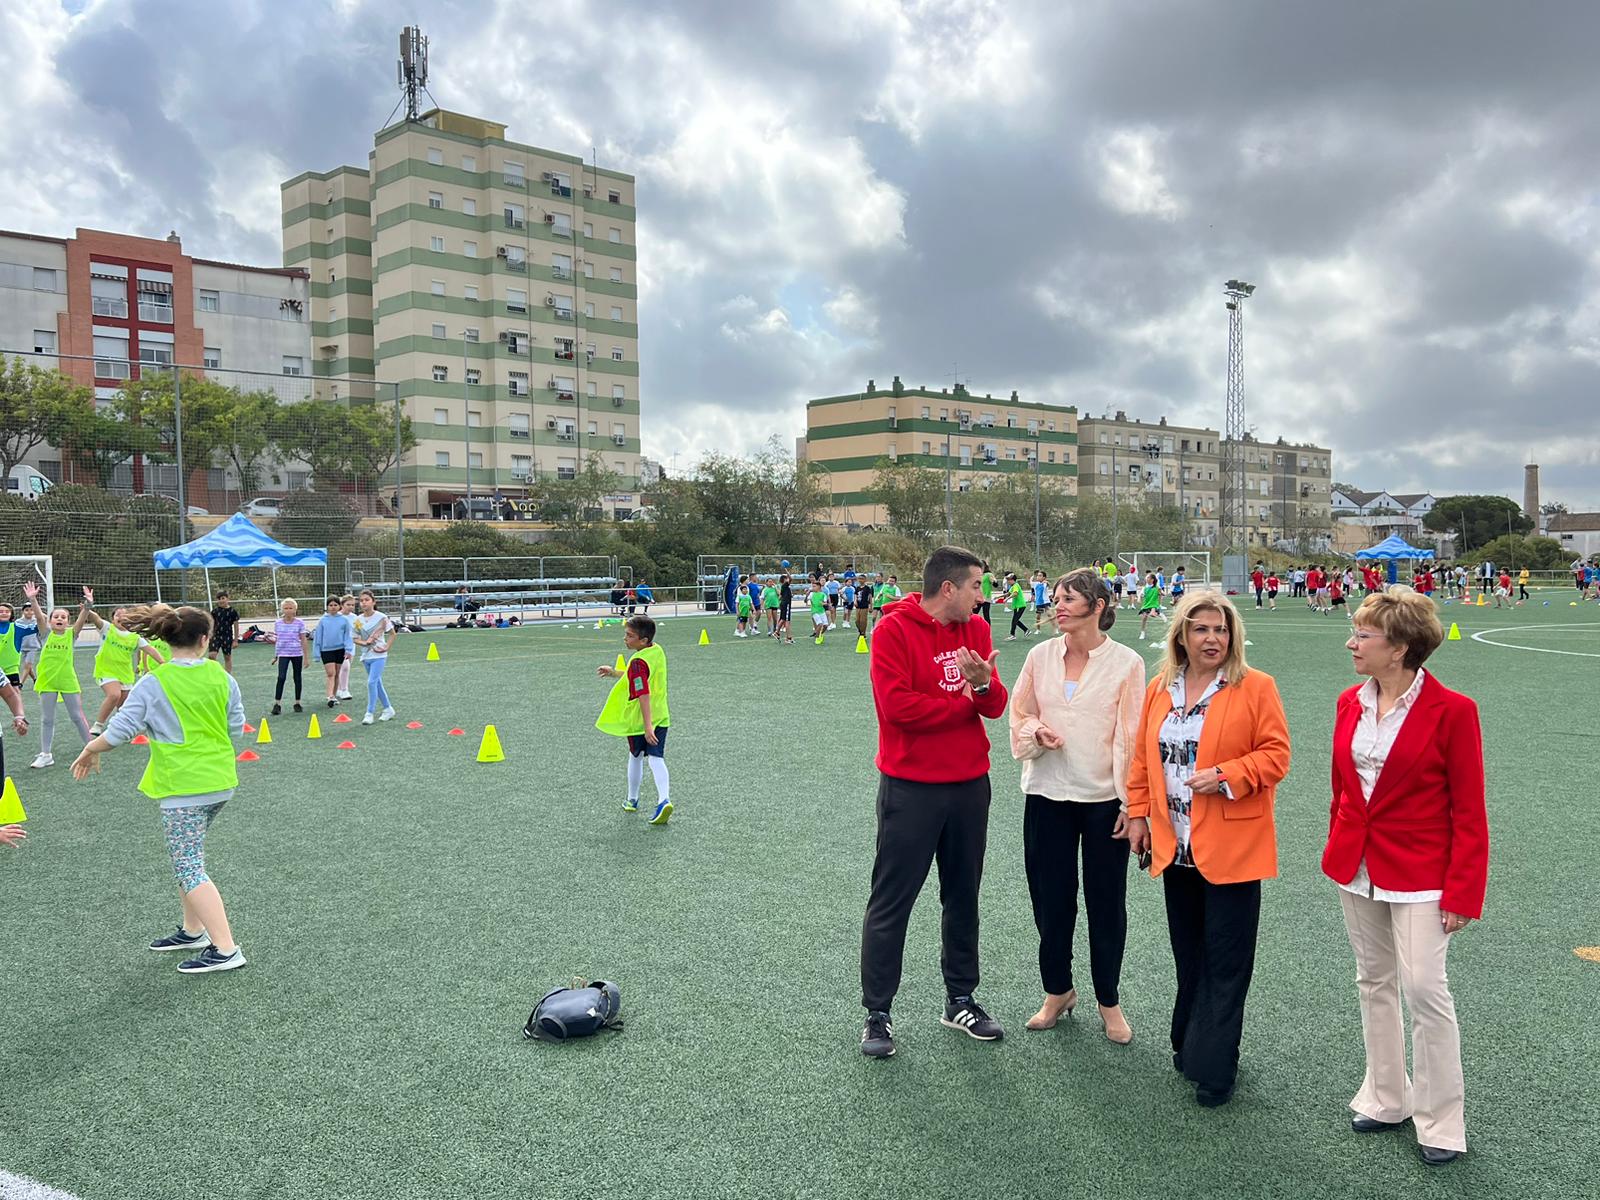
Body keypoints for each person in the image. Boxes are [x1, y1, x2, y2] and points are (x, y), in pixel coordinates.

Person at [1325, 587, 1488, 1165]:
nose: (1352, 642)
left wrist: (1464, 892)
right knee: (1374, 981)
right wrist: (1337, 848)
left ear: (1398, 648)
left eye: (1363, 634)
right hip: (1357, 867)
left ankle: (1441, 1121)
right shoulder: (1350, 701)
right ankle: (1387, 1097)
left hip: (1424, 873)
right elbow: (1342, 787)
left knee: (1425, 991)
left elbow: (1469, 810)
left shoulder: (1454, 711)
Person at [1125, 591, 1291, 1107]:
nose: (1212, 638)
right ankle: (1188, 1042)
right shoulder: (1160, 688)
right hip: (1176, 849)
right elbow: (1141, 760)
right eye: (1200, 629)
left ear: (1233, 637)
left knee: (1226, 960)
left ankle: (1217, 1066)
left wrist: (1226, 775)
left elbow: (1277, 755)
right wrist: (1137, 815)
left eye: (1221, 630)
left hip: (1234, 847)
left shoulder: (1255, 687)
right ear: (1181, 637)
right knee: (1189, 953)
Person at [859, 546, 1009, 1059]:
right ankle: (878, 1013)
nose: (980, 596)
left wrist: (983, 687)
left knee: (963, 896)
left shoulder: (979, 631)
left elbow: (995, 704)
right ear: (949, 588)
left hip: (970, 785)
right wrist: (961, 701)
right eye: (975, 587)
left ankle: (960, 999)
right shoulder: (892, 632)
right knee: (892, 902)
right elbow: (897, 709)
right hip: (911, 788)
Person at [70, 602, 247, 974]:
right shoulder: (221, 676)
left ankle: (227, 948)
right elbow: (236, 726)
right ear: (204, 640)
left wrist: (89, 748)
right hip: (220, 782)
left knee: (189, 867)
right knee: (190, 861)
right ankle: (193, 931)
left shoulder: (155, 681)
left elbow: (120, 730)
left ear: (166, 638)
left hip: (184, 788)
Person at [1009, 568, 1146, 1044]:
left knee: (1106, 904)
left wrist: (1134, 805)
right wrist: (1035, 734)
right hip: (1046, 796)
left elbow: (1130, 737)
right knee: (1050, 900)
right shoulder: (1039, 655)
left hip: (1104, 801)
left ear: (1099, 606)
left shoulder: (1126, 663)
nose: (1057, 607)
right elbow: (1020, 713)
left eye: (1069, 599)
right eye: (1057, 599)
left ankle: (1109, 1001)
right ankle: (1057, 991)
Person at [595, 615, 672, 825]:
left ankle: (632, 799)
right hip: (661, 715)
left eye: (629, 636)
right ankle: (664, 799)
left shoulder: (638, 661)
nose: (625, 639)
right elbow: (637, 676)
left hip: (640, 720)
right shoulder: (656, 650)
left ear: (643, 640)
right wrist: (614, 672)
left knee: (636, 756)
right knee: (657, 758)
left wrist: (647, 726)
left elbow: (642, 693)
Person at [24, 580, 95, 769]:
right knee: (47, 719)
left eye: (64, 617)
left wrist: (88, 605)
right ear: (50, 620)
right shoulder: (46, 633)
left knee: (77, 716)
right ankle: (46, 754)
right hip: (47, 681)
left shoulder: (72, 635)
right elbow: (39, 616)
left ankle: (91, 748)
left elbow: (82, 618)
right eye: (56, 616)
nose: (60, 619)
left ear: (68, 622)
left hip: (67, 681)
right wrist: (32, 599)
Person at [82, 603, 163, 735]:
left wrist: (163, 662)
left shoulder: (135, 637)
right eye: (117, 615)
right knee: (114, 694)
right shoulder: (108, 629)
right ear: (113, 619)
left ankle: (120, 728)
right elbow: (96, 618)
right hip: (106, 670)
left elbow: (151, 650)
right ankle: (98, 725)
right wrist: (88, 608)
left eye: (124, 614)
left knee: (123, 706)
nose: (121, 617)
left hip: (125, 674)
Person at [353, 590, 396, 724]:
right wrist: (364, 642)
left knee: (371, 682)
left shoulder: (381, 617)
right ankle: (388, 709)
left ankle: (369, 713)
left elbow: (392, 634)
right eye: (361, 600)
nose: (364, 603)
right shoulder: (358, 620)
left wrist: (386, 647)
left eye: (366, 600)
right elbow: (355, 638)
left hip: (379, 655)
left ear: (373, 601)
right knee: (377, 683)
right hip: (366, 656)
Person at [265, 598, 311, 715]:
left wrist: (306, 657)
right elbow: (278, 640)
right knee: (281, 677)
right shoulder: (278, 623)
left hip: (297, 653)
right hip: (283, 654)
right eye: (286, 608)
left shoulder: (299, 623)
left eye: (291, 608)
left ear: (295, 609)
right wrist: (276, 656)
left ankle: (297, 702)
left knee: (297, 677)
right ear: (282, 610)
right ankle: (277, 703)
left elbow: (303, 639)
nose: (288, 610)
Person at [0, 601, 33, 734]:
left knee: (14, 694)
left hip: (10, 668)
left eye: (6, 611)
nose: (3, 613)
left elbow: (39, 626)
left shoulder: (17, 627)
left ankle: (21, 719)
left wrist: (35, 609)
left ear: (12, 614)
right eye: (1, 611)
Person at [313, 596, 352, 708]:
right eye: (330, 605)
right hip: (326, 650)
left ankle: (333, 697)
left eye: (335, 605)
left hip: (340, 650)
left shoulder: (344, 620)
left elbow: (347, 636)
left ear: (339, 606)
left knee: (336, 674)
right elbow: (318, 637)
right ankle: (329, 696)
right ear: (327, 607)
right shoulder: (323, 620)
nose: (333, 607)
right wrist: (316, 653)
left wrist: (348, 650)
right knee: (330, 673)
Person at [208, 592, 239, 673]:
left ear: (227, 599)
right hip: (216, 636)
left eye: (223, 598)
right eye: (219, 599)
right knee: (211, 655)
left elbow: (236, 626)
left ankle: (228, 676)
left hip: (227, 636)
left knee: (227, 657)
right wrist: (209, 633)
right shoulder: (214, 611)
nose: (221, 601)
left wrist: (235, 640)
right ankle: (216, 672)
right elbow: (211, 623)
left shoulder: (233, 612)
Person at [335, 594, 357, 700]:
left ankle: (339, 689)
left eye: (352, 605)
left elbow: (359, 630)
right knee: (345, 667)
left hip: (351, 647)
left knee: (344, 669)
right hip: (340, 647)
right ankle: (344, 690)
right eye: (348, 604)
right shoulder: (337, 616)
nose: (351, 607)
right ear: (342, 605)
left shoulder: (355, 618)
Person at [1004, 572, 1031, 641]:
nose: (1008, 581)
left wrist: (1007, 598)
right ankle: (1026, 630)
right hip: (1017, 606)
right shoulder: (1013, 586)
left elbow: (1015, 594)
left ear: (1013, 580)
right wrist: (998, 597)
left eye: (1009, 580)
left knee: (1014, 621)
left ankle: (1012, 635)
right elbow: (1008, 593)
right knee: (1016, 620)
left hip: (1020, 605)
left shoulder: (1015, 585)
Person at [1137, 572, 1164, 640]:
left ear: (1152, 580)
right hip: (1146, 604)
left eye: (1148, 577)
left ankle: (1158, 613)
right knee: (1144, 618)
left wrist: (1161, 592)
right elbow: (1140, 594)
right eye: (1147, 577)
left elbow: (1163, 594)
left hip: (1153, 605)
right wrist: (1139, 598)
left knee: (1151, 614)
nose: (1147, 578)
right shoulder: (1145, 588)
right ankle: (1142, 632)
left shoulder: (1157, 587)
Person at [779, 573, 795, 644]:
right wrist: (788, 574)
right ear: (784, 580)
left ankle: (777, 632)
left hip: (784, 604)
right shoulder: (785, 585)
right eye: (786, 578)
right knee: (787, 621)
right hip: (786, 604)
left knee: (783, 619)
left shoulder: (784, 587)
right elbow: (791, 579)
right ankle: (788, 638)